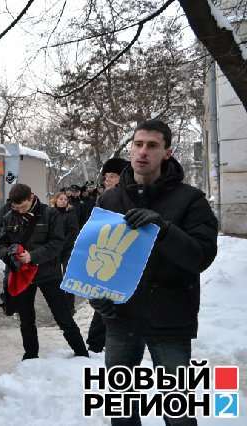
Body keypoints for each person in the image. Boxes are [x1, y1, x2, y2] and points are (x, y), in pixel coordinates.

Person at [90, 119, 218, 425]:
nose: (142, 152)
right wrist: (97, 298)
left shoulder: (191, 200)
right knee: (121, 412)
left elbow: (200, 256)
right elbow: (92, 258)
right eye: (137, 144)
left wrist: (163, 228)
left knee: (178, 416)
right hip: (121, 321)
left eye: (152, 145)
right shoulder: (111, 199)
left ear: (168, 153)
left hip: (170, 322)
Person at [0, 183, 88, 360]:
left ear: (31, 198)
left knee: (63, 317)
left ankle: (81, 354)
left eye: (23, 207)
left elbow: (57, 243)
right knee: (26, 320)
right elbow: (2, 244)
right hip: (22, 275)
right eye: (16, 208)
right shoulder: (9, 217)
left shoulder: (50, 214)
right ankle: (30, 356)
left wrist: (33, 256)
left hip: (48, 273)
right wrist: (9, 256)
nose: (20, 211)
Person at [86, 156, 130, 353]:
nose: (108, 181)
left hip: (125, 258)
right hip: (106, 256)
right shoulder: (105, 199)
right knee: (104, 301)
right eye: (106, 177)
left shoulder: (131, 197)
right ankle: (96, 343)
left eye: (112, 176)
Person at [50, 191, 79, 314]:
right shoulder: (50, 213)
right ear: (55, 200)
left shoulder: (70, 214)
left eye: (65, 199)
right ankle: (58, 304)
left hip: (67, 250)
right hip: (54, 250)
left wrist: (62, 245)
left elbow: (73, 232)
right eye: (60, 199)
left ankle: (70, 305)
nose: (63, 201)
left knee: (68, 276)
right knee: (55, 278)